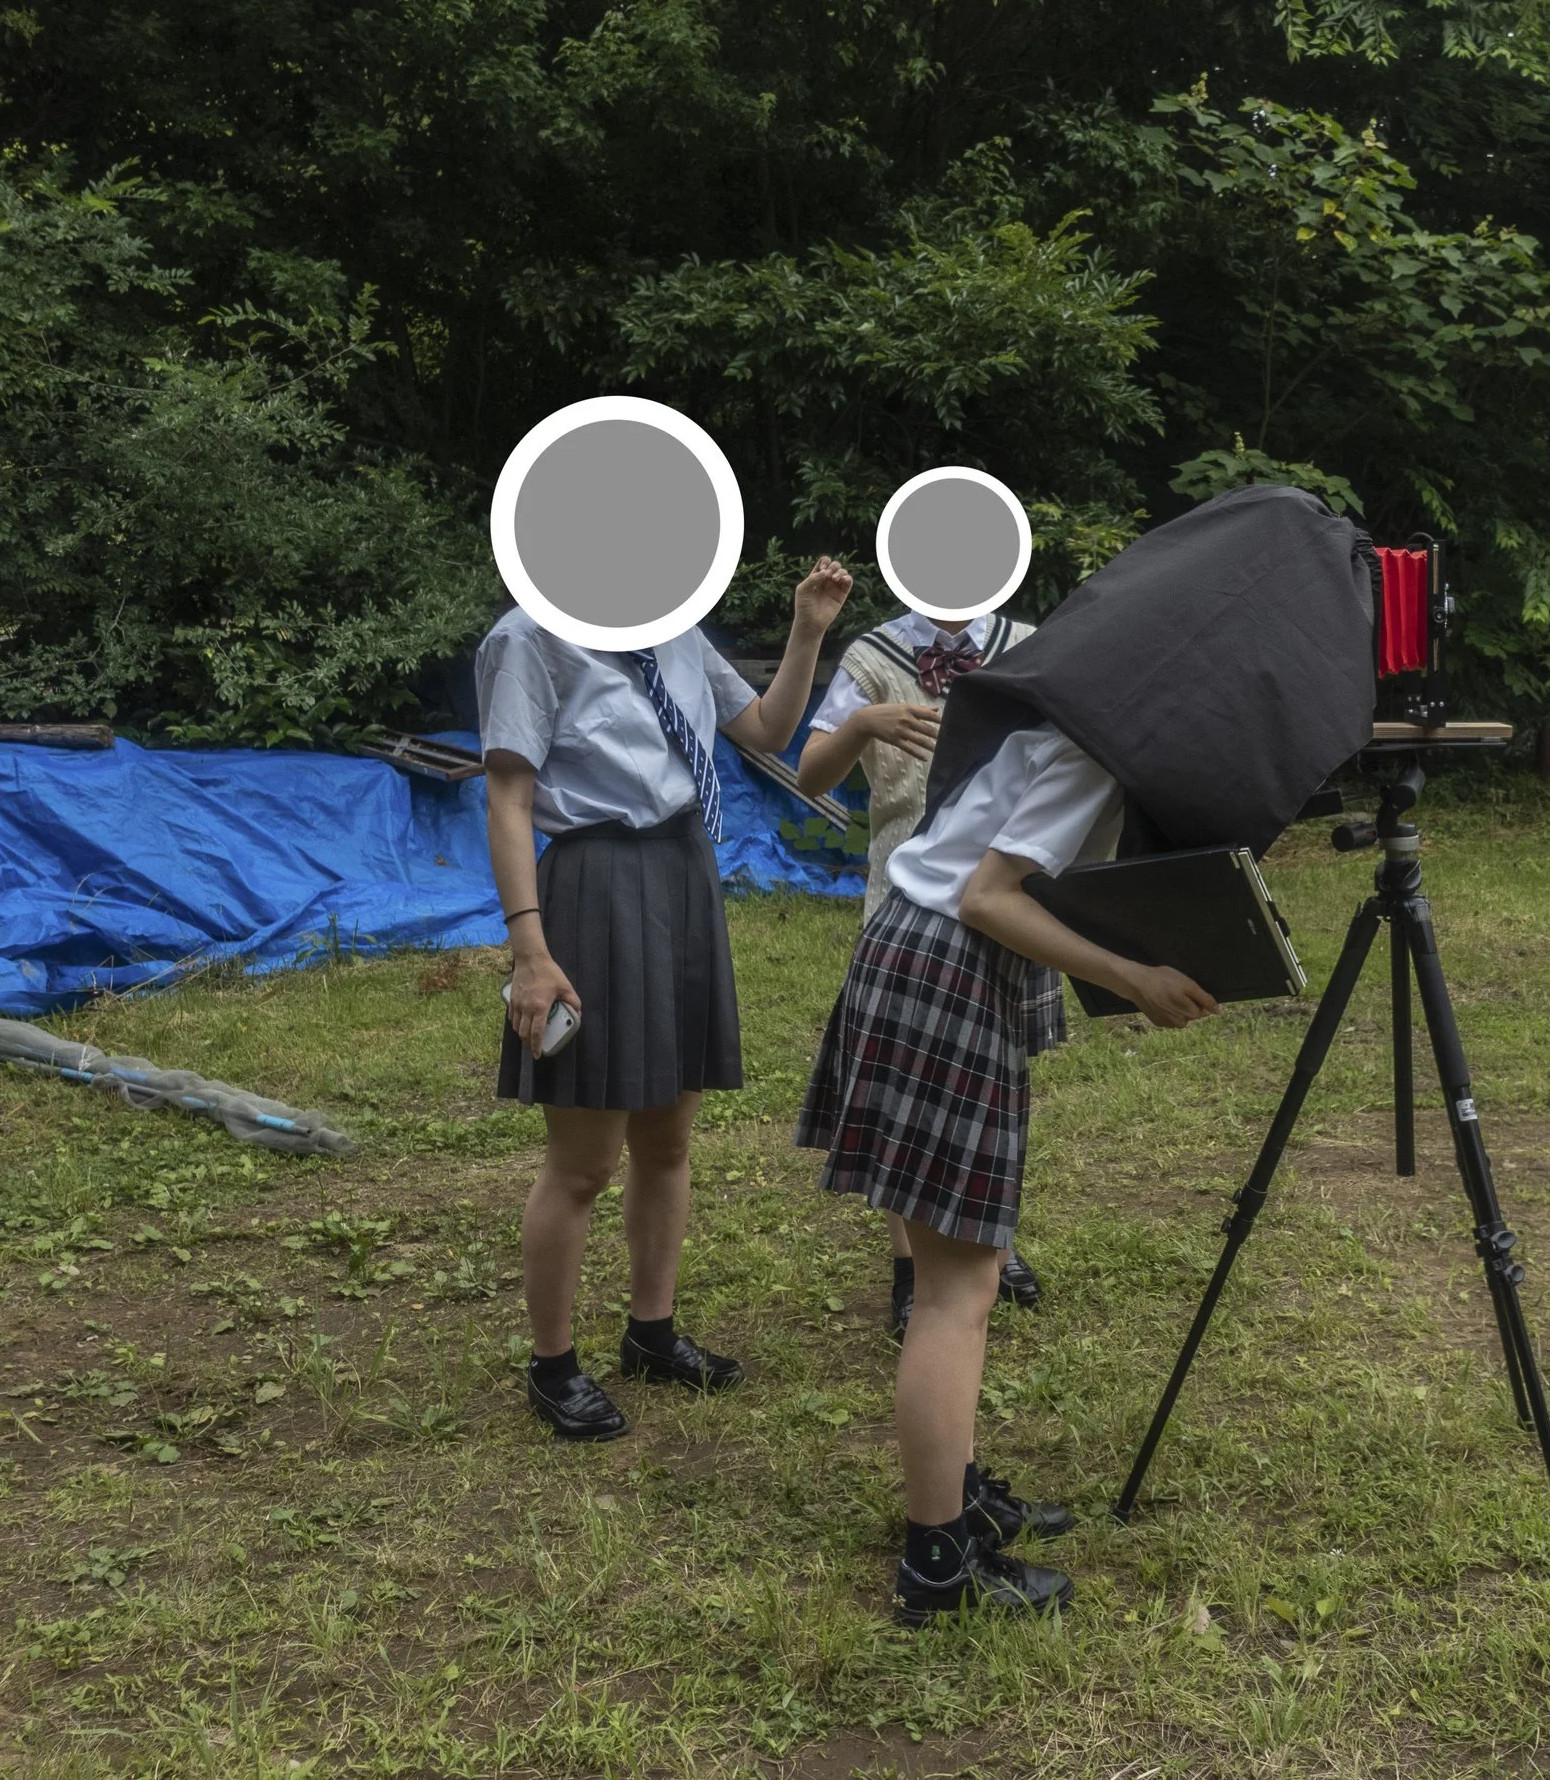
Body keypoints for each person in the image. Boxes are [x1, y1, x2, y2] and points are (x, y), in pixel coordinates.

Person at [797, 484, 1381, 1624]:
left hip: (915, 956)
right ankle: (936, 1564)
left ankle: (956, 1493)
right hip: (945, 965)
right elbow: (988, 896)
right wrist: (1133, 977)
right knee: (955, 1290)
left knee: (954, 1277)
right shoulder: (1092, 753)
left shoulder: (1067, 718)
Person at [480, 556, 854, 1440]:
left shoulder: (674, 631)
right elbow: (507, 797)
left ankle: (651, 1332)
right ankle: (553, 1365)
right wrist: (530, 949)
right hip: (594, 883)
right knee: (583, 1161)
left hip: (684, 876)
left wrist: (806, 632)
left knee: (668, 1137)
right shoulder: (527, 638)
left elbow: (764, 729)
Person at [795, 607, 1048, 1339]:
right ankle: (912, 1266)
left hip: (1009, 900)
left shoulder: (1026, 645)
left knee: (997, 1077)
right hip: (908, 899)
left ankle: (991, 1241)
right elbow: (811, 773)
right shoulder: (874, 655)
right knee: (907, 1090)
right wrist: (861, 725)